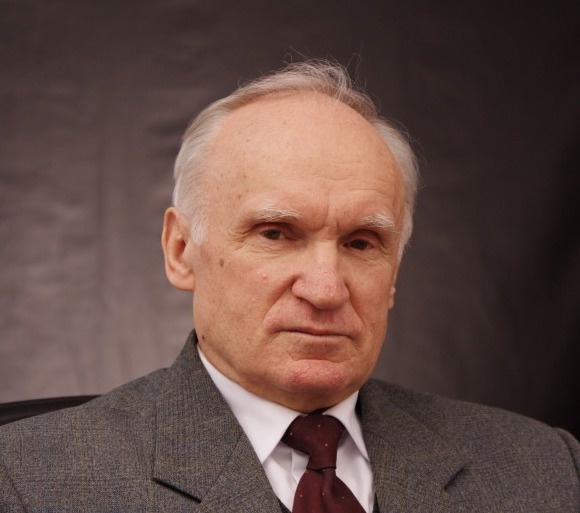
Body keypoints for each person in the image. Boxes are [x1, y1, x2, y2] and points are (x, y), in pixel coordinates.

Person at [0, 60, 578, 512]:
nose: (325, 290)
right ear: (181, 251)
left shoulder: (546, 470)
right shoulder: (28, 481)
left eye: (361, 243)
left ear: (394, 274)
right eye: (275, 233)